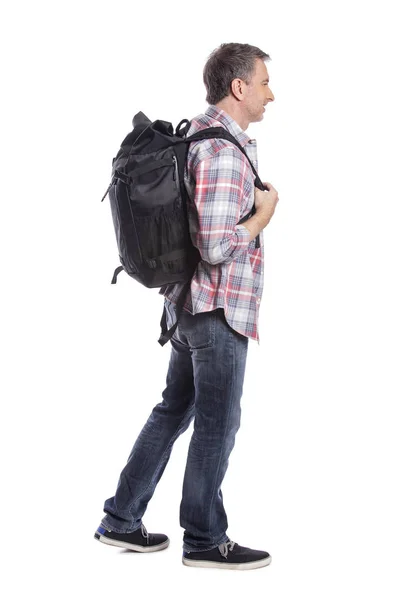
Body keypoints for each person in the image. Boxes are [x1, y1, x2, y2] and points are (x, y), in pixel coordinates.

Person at [94, 42, 279, 571]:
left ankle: (121, 519)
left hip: (186, 307)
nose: (272, 94)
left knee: (173, 410)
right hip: (217, 311)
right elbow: (217, 246)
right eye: (264, 83)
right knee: (217, 424)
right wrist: (263, 215)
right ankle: (204, 537)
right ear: (239, 87)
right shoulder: (222, 153)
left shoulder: (198, 134)